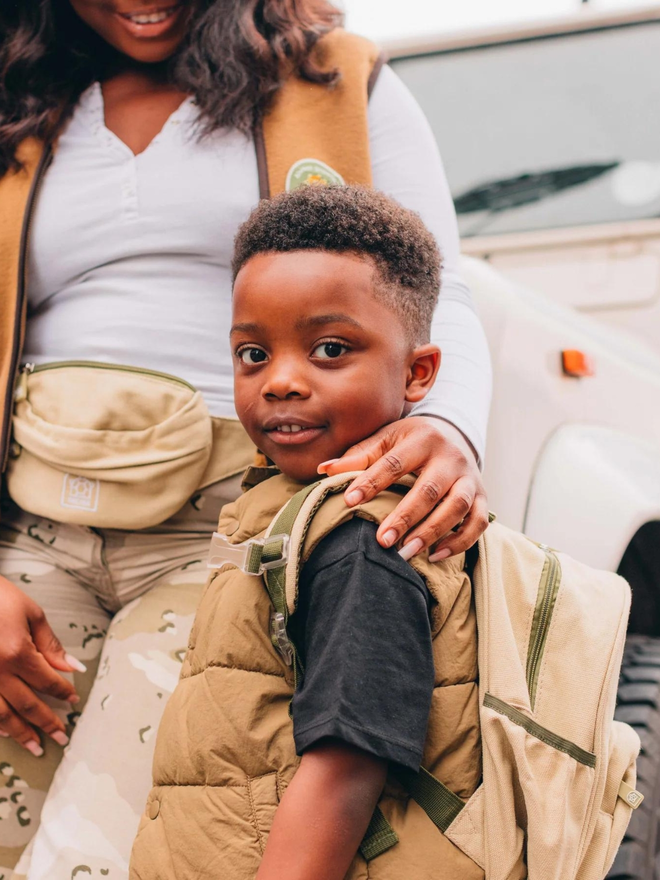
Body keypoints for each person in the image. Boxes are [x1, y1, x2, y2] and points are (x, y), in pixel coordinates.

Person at [0, 0, 490, 875]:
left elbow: (436, 290)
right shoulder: (18, 100)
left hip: (233, 524)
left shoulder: (339, 78)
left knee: (109, 851)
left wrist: (448, 426)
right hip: (29, 526)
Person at [130, 184, 483, 880]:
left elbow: (347, 765)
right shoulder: (291, 509)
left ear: (418, 374)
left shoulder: (362, 541)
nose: (280, 382)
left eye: (328, 349)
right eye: (252, 354)